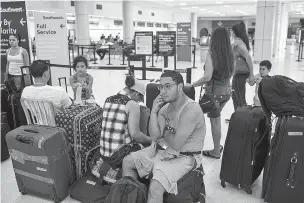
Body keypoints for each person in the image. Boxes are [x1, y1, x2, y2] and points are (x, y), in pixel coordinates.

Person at [122, 71, 205, 203]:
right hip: (163, 151)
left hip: (185, 156)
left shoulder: (191, 109)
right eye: (160, 87)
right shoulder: (165, 108)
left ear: (179, 87)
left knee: (155, 187)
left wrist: (164, 130)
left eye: (168, 86)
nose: (163, 91)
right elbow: (155, 136)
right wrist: (154, 112)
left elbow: (177, 143)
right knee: (127, 162)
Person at [192, 26, 234, 159]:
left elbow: (207, 77)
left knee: (215, 122)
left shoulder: (212, 54)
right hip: (226, 92)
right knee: (216, 119)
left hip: (214, 93)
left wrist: (193, 84)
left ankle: (216, 150)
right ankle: (217, 147)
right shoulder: (230, 54)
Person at [99, 75, 151, 168]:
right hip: (118, 156)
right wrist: (151, 140)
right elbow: (135, 134)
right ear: (136, 93)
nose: (139, 102)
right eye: (140, 99)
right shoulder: (132, 105)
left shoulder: (108, 100)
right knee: (148, 150)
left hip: (103, 153)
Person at [231, 21, 255, 111]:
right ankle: (238, 115)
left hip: (240, 73)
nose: (231, 33)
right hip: (238, 73)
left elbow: (248, 57)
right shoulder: (239, 42)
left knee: (239, 96)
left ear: (234, 32)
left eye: (231, 31)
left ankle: (244, 118)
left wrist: (251, 74)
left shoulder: (238, 43)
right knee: (235, 95)